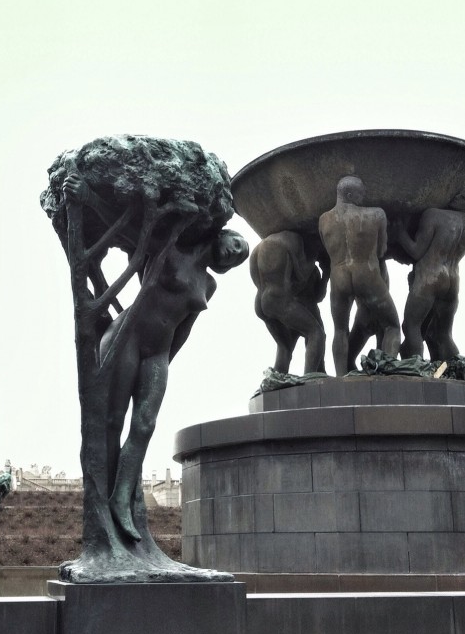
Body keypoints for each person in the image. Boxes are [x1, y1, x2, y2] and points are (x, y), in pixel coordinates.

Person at [63, 171, 250, 540]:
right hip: (127, 337)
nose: (237, 253)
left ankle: (122, 498)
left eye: (240, 257)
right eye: (238, 244)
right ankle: (103, 507)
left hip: (158, 353)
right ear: (223, 235)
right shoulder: (171, 248)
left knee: (145, 425)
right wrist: (85, 197)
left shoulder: (207, 285)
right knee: (113, 423)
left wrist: (166, 362)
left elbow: (185, 328)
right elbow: (127, 233)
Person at [318, 176, 400, 375]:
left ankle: (341, 377)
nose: (364, 196)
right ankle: (386, 372)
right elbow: (382, 251)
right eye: (361, 192)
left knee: (340, 330)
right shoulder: (376, 215)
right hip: (366, 273)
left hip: (339, 277)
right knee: (392, 325)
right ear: (348, 194)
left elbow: (327, 250)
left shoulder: (324, 220)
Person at [393, 188, 465, 361]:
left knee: (411, 325)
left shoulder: (434, 215)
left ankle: (415, 369)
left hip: (429, 278)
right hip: (452, 281)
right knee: (443, 334)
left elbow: (416, 251)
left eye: (461, 197)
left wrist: (400, 233)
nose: (456, 197)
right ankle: (453, 370)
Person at [250, 230, 328, 375]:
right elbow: (303, 277)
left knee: (284, 346)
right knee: (316, 333)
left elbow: (318, 296)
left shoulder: (260, 248)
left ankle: (279, 376)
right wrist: (325, 268)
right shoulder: (292, 244)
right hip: (280, 302)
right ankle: (310, 377)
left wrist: (325, 274)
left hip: (262, 303)